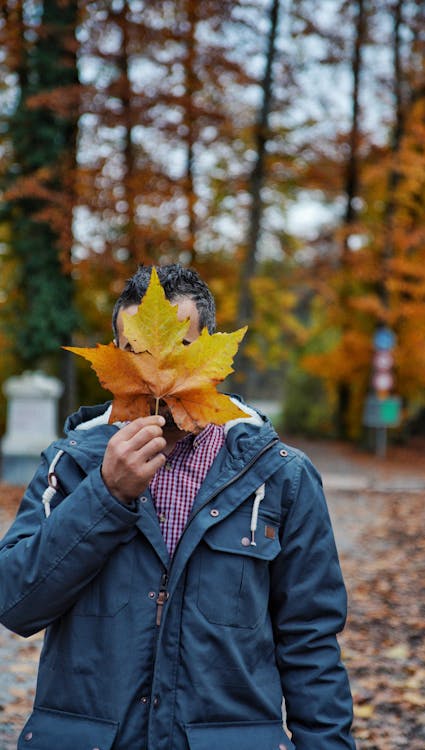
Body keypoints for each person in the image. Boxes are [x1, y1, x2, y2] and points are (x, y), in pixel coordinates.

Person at [0, 264, 356, 750]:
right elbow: (16, 602)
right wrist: (106, 494)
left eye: (180, 350)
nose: (155, 374)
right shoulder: (72, 464)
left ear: (212, 351)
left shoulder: (280, 476)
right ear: (115, 360)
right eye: (136, 354)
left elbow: (310, 644)